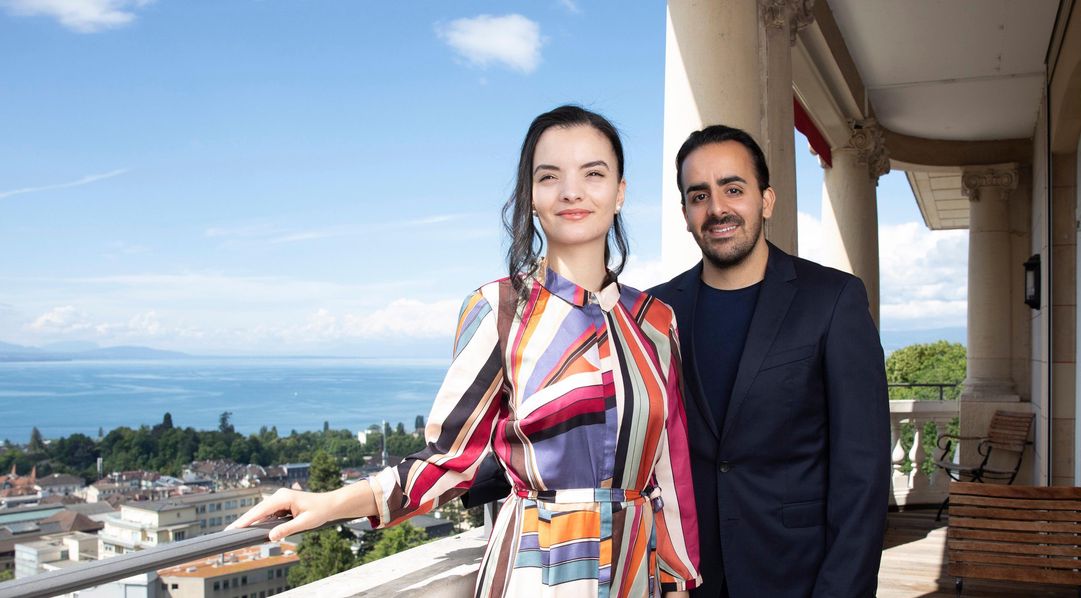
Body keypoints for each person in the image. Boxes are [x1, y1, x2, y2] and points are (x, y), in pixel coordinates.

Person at [229, 105, 702, 598]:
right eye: (549, 176)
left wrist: (679, 578)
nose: (571, 191)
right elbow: (451, 458)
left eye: (593, 173)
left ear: (620, 191)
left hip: (637, 573)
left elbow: (671, 470)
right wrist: (331, 502)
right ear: (532, 197)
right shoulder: (499, 309)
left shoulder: (655, 322)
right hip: (537, 574)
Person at [647, 125, 889, 598]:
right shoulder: (654, 312)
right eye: (699, 195)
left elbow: (862, 475)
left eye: (733, 189)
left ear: (767, 200)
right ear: (685, 213)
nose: (717, 208)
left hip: (798, 577)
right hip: (685, 581)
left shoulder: (833, 299)